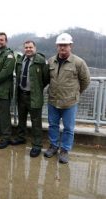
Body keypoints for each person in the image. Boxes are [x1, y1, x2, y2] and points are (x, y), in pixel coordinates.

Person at [44, 33, 90, 163]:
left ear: (70, 46)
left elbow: (85, 80)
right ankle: (53, 146)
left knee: (68, 128)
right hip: (53, 100)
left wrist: (76, 93)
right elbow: (47, 78)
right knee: (53, 125)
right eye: (60, 45)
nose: (62, 48)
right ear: (57, 46)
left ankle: (64, 150)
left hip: (70, 102)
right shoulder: (51, 61)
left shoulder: (78, 62)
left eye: (65, 45)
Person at [13, 41, 49, 157]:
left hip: (34, 96)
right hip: (21, 95)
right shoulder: (20, 60)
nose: (28, 49)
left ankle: (37, 145)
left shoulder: (41, 61)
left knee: (36, 122)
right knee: (21, 119)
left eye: (30, 47)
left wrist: (36, 89)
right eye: (26, 47)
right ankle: (21, 138)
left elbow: (45, 79)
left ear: (35, 48)